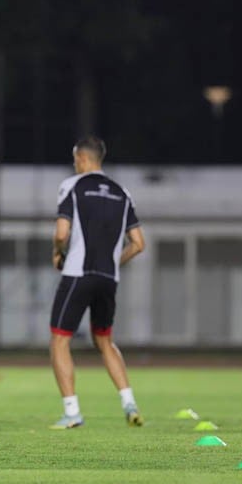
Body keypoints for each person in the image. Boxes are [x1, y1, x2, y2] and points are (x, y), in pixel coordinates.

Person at [48, 136, 146, 429]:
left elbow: (62, 233)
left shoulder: (72, 186)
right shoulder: (122, 192)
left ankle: (72, 411)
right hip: (108, 279)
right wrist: (114, 263)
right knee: (105, 341)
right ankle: (129, 403)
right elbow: (139, 243)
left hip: (78, 274)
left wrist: (58, 253)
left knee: (59, 339)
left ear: (81, 158)